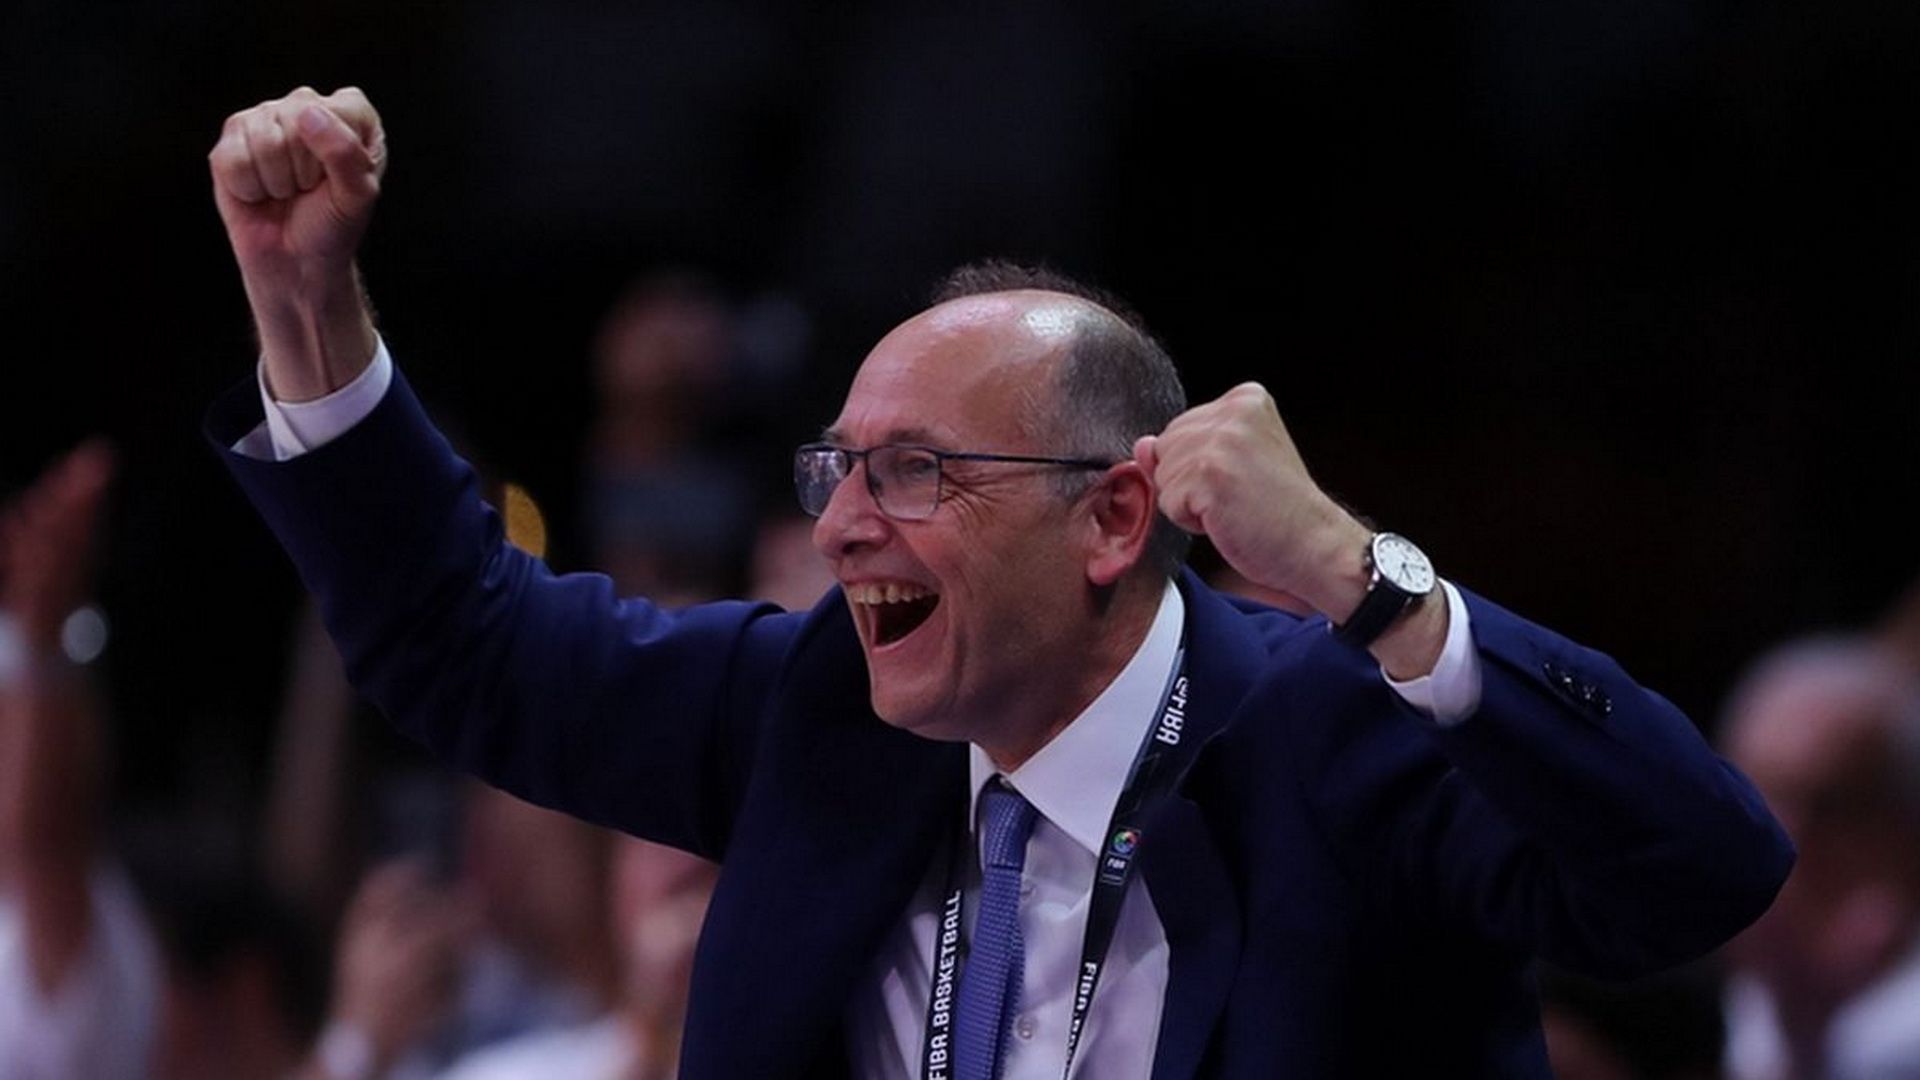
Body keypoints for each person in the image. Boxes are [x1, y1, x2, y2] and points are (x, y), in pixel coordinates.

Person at [204, 86, 1793, 1078]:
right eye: (836, 469)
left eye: (912, 471)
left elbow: (1701, 873)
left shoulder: (1336, 735)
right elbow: (466, 642)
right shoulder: (815, 710)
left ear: (1115, 518)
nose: (841, 526)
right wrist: (306, 305)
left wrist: (1364, 581)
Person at [1718, 636, 1920, 1079]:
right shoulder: (1690, 977)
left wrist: (1806, 1029)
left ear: (1905, 825)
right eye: (1760, 795)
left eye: (1827, 805)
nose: (1787, 834)